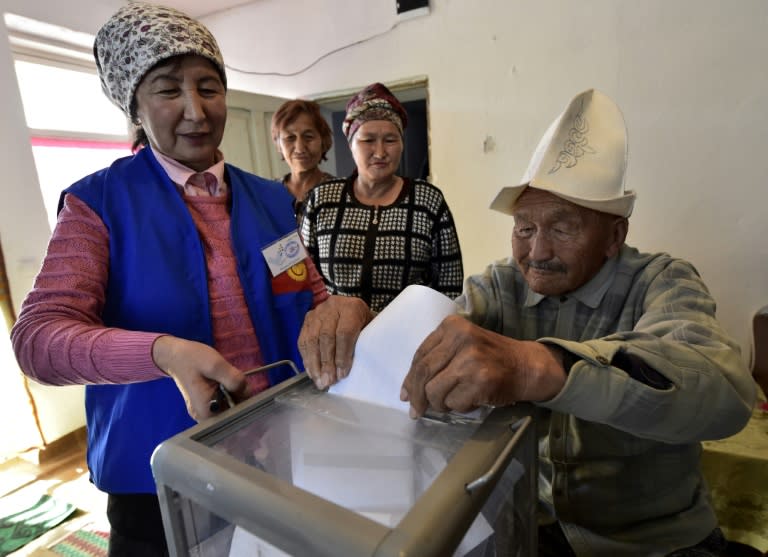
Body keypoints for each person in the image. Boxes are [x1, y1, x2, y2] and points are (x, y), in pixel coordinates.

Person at [297, 89, 757, 556]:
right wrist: (366, 326)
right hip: (531, 529)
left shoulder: (662, 281)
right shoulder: (501, 286)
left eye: (562, 228)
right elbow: (424, 347)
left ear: (614, 235)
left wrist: (533, 367)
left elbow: (722, 392)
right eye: (524, 228)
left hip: (650, 542)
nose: (536, 252)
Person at [10, 3, 328, 556]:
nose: (195, 111)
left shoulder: (272, 198)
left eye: (209, 87)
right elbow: (38, 340)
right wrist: (162, 353)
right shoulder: (98, 204)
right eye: (166, 90)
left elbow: (303, 290)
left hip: (277, 449)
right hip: (157, 474)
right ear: (134, 105)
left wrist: (337, 308)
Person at [300, 82, 464, 312]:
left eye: (390, 140)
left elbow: (449, 285)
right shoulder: (322, 199)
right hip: (339, 339)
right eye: (367, 140)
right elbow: (306, 278)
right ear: (351, 145)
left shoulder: (427, 201)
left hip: (407, 338)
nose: (379, 152)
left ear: (402, 144)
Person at [270, 99, 335, 223]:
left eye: (308, 137)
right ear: (278, 145)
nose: (300, 148)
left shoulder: (341, 193)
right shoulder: (269, 193)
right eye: (290, 138)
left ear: (324, 141)